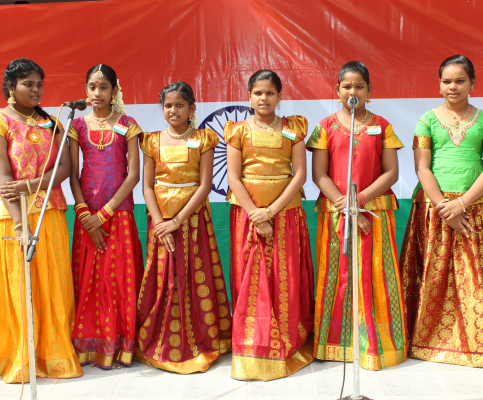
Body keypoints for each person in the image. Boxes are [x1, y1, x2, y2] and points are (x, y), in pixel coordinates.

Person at [0, 59, 83, 382]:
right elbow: (4, 179)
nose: (36, 90)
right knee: (19, 286)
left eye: (39, 84)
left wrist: (31, 185)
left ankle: (51, 353)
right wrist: (20, 226)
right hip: (12, 217)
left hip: (49, 214)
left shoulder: (51, 123)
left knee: (52, 287)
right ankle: (19, 356)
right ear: (11, 87)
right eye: (28, 84)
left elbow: (65, 168)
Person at [306, 61, 407, 370]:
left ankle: (377, 345)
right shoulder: (325, 126)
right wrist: (347, 207)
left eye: (359, 86)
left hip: (374, 213)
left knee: (374, 275)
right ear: (337, 90)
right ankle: (335, 344)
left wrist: (360, 202)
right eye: (347, 86)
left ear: (369, 90)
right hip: (336, 213)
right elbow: (319, 175)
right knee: (337, 277)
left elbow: (391, 173)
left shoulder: (382, 126)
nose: (353, 91)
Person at [135, 82, 232, 373]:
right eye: (168, 105)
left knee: (194, 276)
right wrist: (160, 223)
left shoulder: (204, 138)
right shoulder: (151, 141)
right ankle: (161, 341)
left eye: (180, 105)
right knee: (164, 278)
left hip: (193, 219)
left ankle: (200, 339)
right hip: (160, 220)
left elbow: (205, 186)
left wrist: (177, 221)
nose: (173, 110)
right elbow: (147, 186)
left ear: (192, 108)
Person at [225, 69, 315, 381]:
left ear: (279, 96)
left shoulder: (293, 127)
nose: (264, 98)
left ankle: (287, 342)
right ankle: (252, 344)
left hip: (286, 214)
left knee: (285, 277)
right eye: (258, 93)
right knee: (250, 279)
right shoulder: (237, 130)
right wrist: (256, 214)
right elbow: (233, 178)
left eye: (270, 93)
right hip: (247, 216)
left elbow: (299, 175)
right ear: (249, 96)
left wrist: (271, 212)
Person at [400, 55, 483, 367]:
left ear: (472, 83)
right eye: (447, 81)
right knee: (432, 277)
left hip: (474, 208)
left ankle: (474, 343)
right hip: (433, 209)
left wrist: (461, 204)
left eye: (460, 81)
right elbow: (422, 167)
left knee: (473, 277)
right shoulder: (427, 120)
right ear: (438, 84)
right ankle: (427, 341)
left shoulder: (482, 119)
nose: (453, 86)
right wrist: (444, 207)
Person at [68, 64, 144, 369]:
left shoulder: (128, 124)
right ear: (85, 90)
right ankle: (89, 344)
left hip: (119, 214)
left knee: (118, 283)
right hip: (87, 216)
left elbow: (133, 175)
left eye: (103, 87)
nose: (96, 93)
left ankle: (120, 345)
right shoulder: (77, 125)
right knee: (90, 281)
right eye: (92, 87)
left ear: (115, 91)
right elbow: (72, 175)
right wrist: (86, 214)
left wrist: (105, 214)